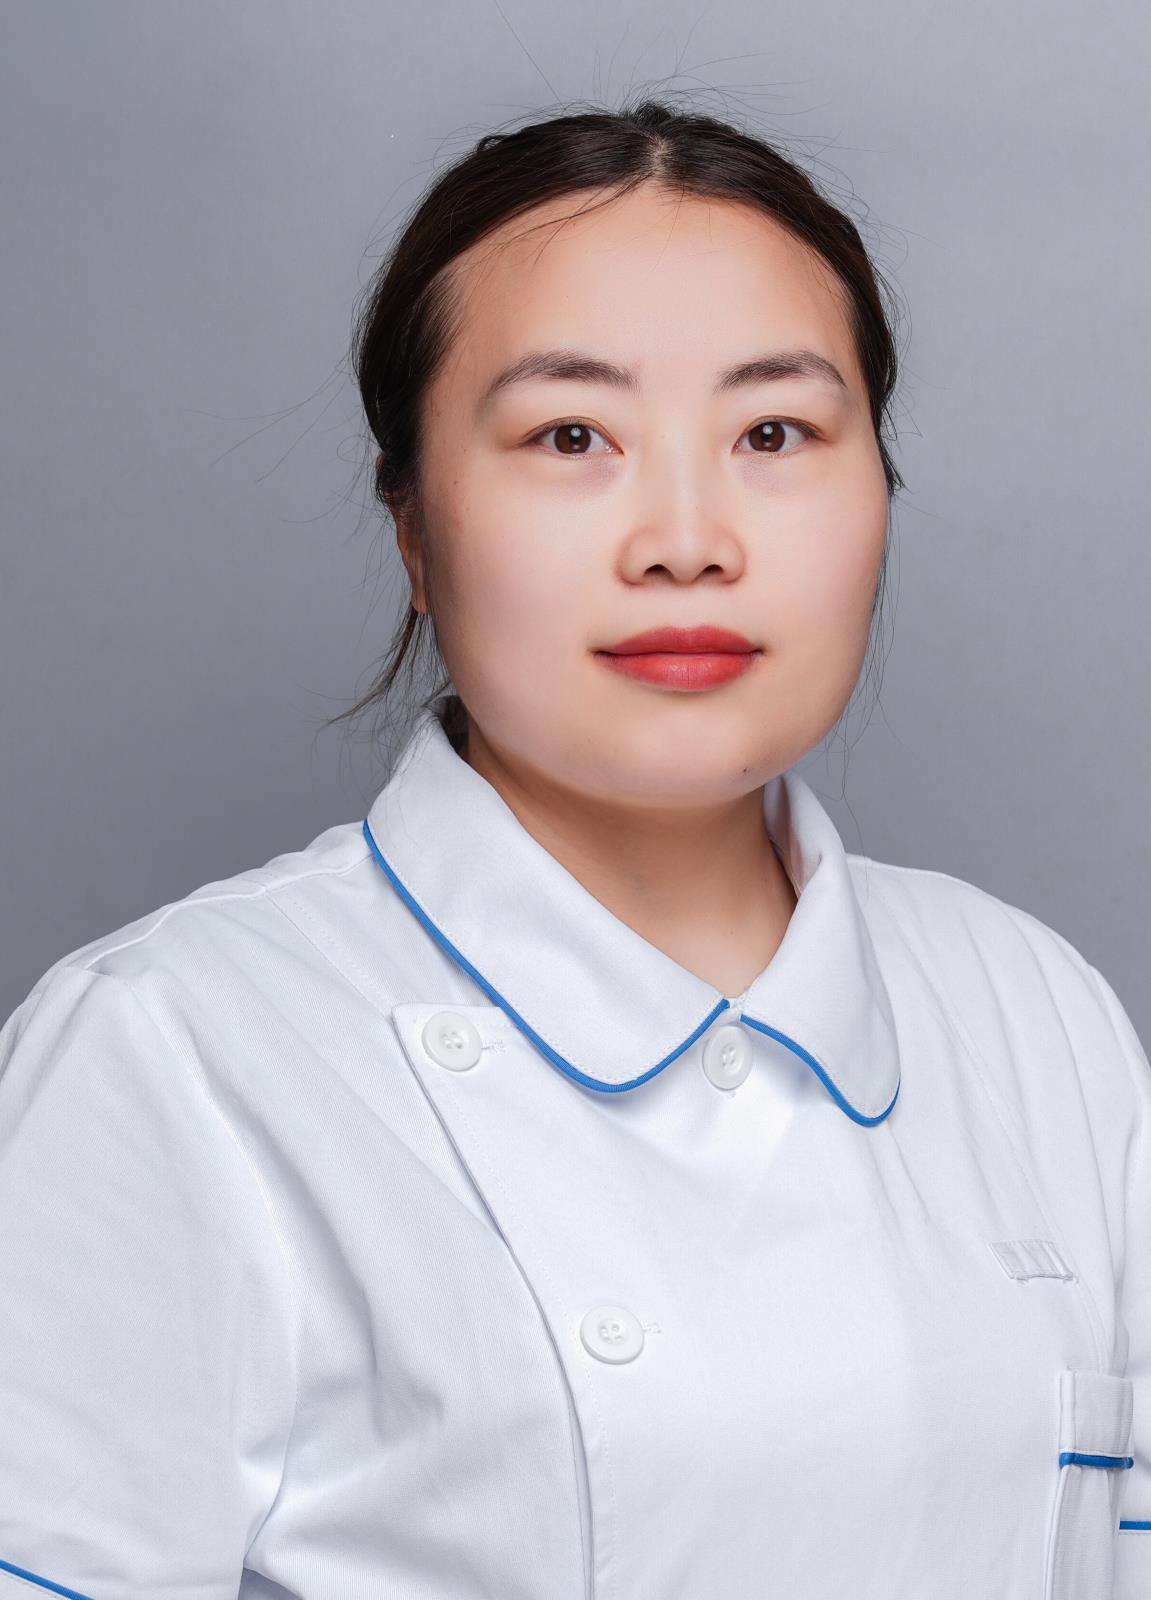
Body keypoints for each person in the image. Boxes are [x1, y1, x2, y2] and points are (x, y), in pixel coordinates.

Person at [0, 97, 1147, 1600]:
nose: (687, 538)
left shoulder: (1035, 1012)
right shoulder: (175, 1055)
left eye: (774, 433)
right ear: (414, 529)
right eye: (571, 436)